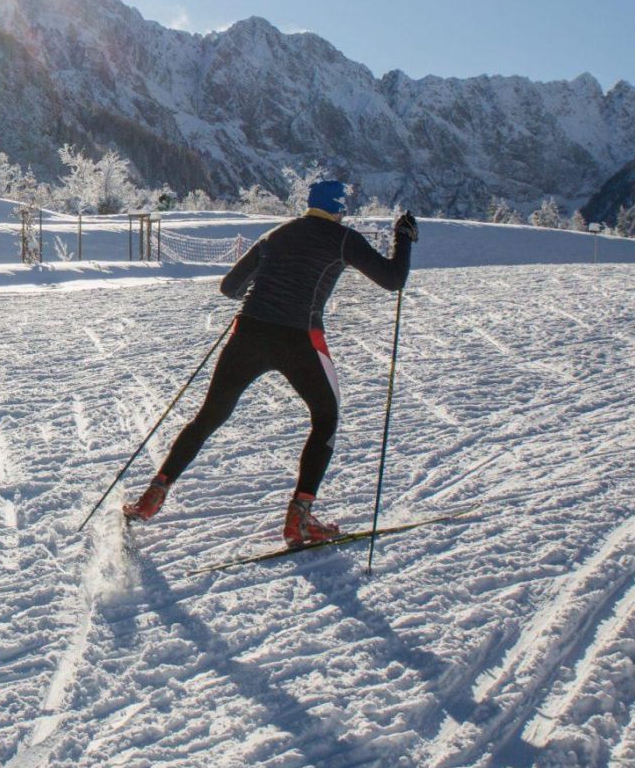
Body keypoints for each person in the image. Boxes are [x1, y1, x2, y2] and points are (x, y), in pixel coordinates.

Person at [124, 180, 418, 547]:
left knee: (208, 417)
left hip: (248, 334)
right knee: (325, 418)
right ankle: (300, 518)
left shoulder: (277, 234)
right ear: (339, 207)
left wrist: (265, 282)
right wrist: (403, 237)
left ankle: (154, 495)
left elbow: (230, 287)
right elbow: (393, 281)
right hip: (300, 339)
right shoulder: (344, 239)